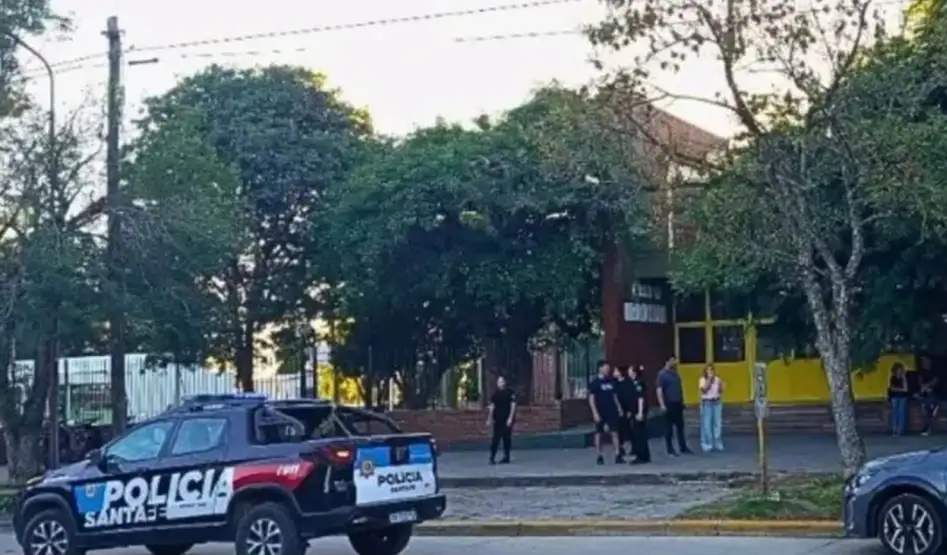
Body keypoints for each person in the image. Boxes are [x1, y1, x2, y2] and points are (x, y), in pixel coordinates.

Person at [589, 360, 624, 465]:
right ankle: (599, 455)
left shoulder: (611, 381)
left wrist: (619, 408)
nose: (608, 370)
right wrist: (595, 412)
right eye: (606, 368)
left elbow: (614, 396)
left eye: (608, 368)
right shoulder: (595, 383)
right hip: (600, 411)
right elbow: (591, 399)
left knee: (614, 432)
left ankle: (618, 454)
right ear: (600, 368)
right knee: (599, 433)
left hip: (611, 410)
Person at [657, 356, 692, 456]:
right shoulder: (662, 375)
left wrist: (682, 401)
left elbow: (679, 388)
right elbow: (659, 390)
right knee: (669, 428)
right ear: (667, 361)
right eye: (673, 361)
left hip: (678, 403)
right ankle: (670, 449)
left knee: (680, 426)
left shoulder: (675, 373)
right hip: (669, 403)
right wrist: (662, 404)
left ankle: (683, 447)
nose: (675, 362)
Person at [486, 376, 516, 464]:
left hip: (506, 419)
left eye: (502, 381)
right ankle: (492, 457)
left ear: (505, 382)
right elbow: (492, 407)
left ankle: (506, 456)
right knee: (495, 439)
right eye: (499, 382)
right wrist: (489, 419)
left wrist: (510, 418)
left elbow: (513, 406)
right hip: (497, 420)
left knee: (506, 438)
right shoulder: (495, 394)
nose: (500, 383)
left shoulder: (510, 392)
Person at [698, 364, 725, 452]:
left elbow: (721, 391)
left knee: (717, 423)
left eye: (712, 370)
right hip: (707, 403)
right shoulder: (702, 380)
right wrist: (709, 380)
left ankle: (717, 443)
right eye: (708, 370)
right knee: (707, 424)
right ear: (705, 371)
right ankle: (707, 444)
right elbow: (704, 390)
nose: (710, 372)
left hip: (716, 402)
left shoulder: (717, 379)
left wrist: (721, 385)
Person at [628, 365, 651, 464]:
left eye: (630, 370)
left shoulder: (638, 383)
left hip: (639, 412)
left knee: (639, 434)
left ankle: (641, 456)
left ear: (634, 372)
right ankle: (645, 455)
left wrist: (640, 412)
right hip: (636, 412)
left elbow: (640, 398)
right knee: (640, 434)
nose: (628, 372)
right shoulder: (634, 382)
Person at [615, 366, 636, 459]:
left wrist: (630, 410)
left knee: (630, 429)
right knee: (619, 430)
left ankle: (634, 447)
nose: (614, 373)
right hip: (618, 410)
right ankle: (621, 447)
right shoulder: (615, 383)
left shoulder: (628, 383)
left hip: (627, 410)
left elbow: (631, 397)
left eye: (616, 371)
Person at [919, 359, 940, 436]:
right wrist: (924, 388)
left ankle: (927, 429)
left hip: (932, 397)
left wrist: (927, 386)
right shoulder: (921, 373)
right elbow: (921, 385)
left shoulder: (934, 372)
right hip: (925, 397)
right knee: (926, 413)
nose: (925, 364)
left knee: (929, 413)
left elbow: (935, 381)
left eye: (927, 362)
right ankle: (927, 429)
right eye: (924, 363)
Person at [888, 363, 909, 436]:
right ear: (895, 370)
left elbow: (906, 389)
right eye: (898, 369)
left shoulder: (904, 378)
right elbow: (892, 388)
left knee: (901, 413)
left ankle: (900, 430)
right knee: (895, 413)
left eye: (901, 370)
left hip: (903, 397)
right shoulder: (893, 377)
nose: (899, 371)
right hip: (894, 397)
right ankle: (894, 429)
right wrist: (901, 389)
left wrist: (904, 378)